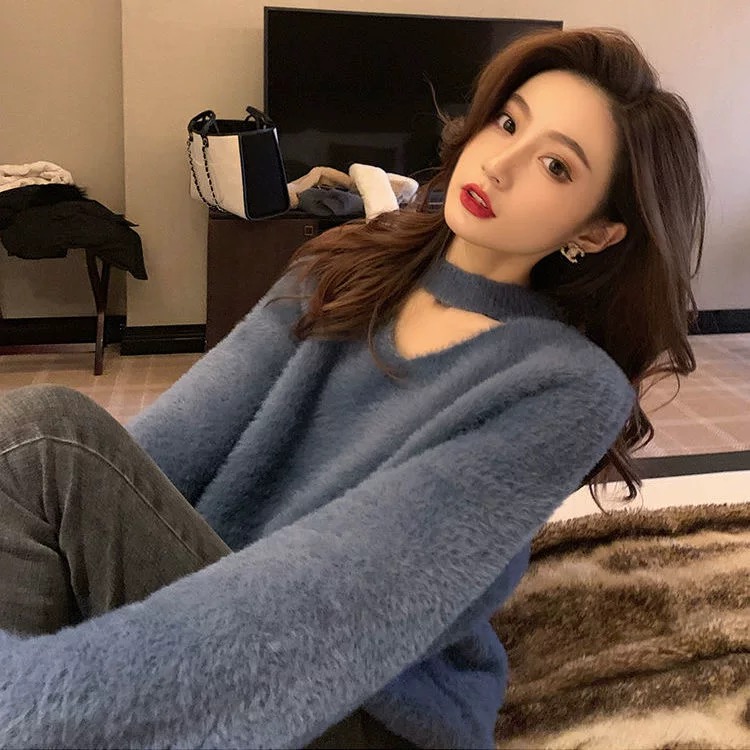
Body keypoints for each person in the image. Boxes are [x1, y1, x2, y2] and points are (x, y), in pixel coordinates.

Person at [0, 26, 705, 750]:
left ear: (595, 233)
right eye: (507, 123)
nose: (499, 166)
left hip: (368, 707)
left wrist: (30, 699)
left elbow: (339, 601)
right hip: (216, 614)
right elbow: (156, 459)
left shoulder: (566, 384)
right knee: (41, 442)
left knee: (43, 437)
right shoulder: (342, 268)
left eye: (556, 166)